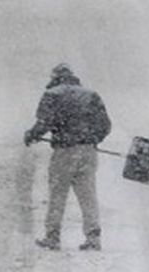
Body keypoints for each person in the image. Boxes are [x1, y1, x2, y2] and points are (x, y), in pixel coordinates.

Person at [24, 64, 112, 251]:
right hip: (88, 152)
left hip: (64, 151)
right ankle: (93, 236)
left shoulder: (53, 94)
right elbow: (105, 125)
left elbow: (44, 122)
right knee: (88, 195)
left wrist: (31, 135)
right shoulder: (91, 95)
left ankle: (53, 236)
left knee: (58, 194)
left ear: (55, 77)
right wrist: (91, 139)